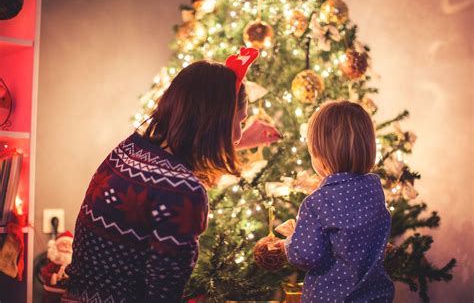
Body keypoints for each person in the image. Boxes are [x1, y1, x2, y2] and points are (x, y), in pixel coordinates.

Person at [62, 48, 281, 303]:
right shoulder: (183, 192)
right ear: (214, 124)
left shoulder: (129, 149)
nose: (237, 136)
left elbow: (172, 172)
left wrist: (234, 144)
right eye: (239, 123)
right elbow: (163, 293)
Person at [278, 101, 395, 302]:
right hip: (376, 295)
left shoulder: (317, 202)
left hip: (332, 297)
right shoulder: (374, 190)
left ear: (319, 154)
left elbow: (307, 255)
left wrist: (289, 243)